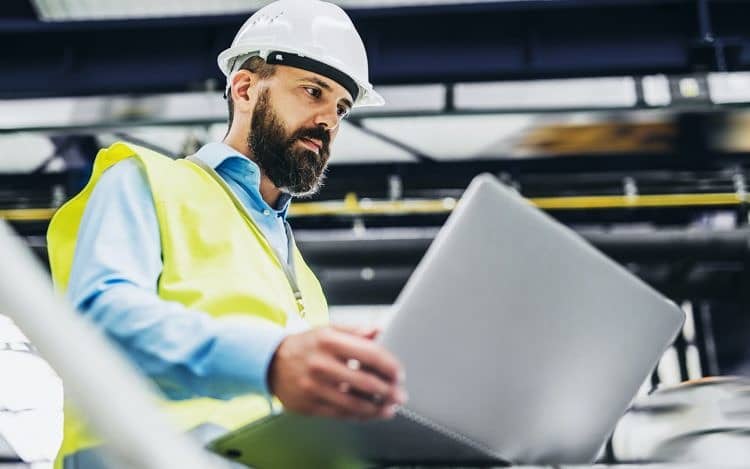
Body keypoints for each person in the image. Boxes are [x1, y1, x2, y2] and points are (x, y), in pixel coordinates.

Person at [46, 1, 407, 467]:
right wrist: (270, 361)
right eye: (312, 91)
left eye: (341, 107)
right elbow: (100, 321)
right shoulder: (146, 181)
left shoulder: (302, 278)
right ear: (244, 88)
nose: (329, 120)